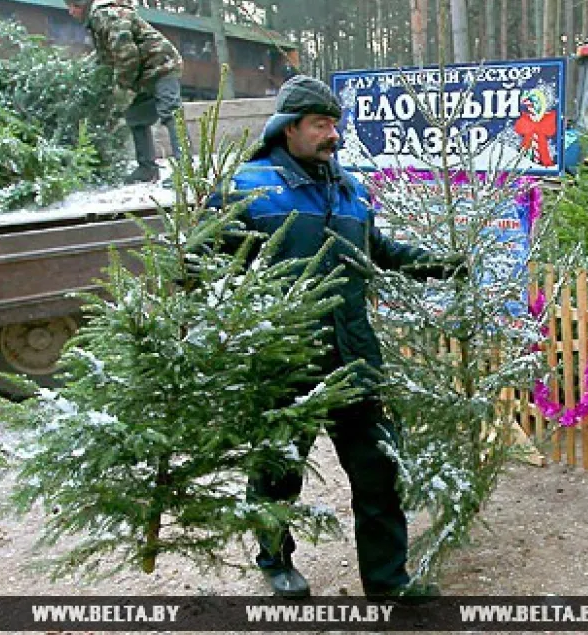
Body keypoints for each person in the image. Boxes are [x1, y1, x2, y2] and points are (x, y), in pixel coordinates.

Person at [206, 75, 461, 602]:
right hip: (285, 355)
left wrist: (433, 264)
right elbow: (208, 258)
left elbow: (377, 249)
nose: (333, 136)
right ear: (288, 128)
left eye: (335, 125)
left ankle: (388, 582)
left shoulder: (350, 189)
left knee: (378, 470)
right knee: (278, 470)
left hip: (353, 355)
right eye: (321, 125)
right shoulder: (248, 187)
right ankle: (275, 560)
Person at [65, 0, 184, 183]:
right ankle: (147, 169)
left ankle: (186, 169)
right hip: (142, 71)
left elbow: (126, 54)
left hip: (161, 64)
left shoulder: (106, 15)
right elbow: (107, 55)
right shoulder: (96, 21)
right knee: (136, 117)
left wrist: (122, 87)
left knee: (170, 113)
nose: (70, 12)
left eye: (73, 6)